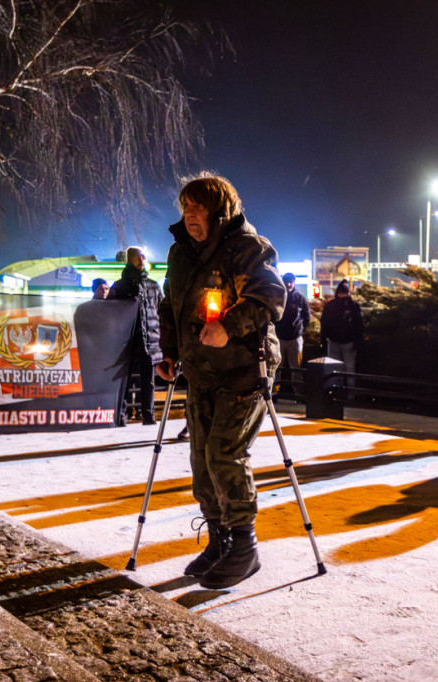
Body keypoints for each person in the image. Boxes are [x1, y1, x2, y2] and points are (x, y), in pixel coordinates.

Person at [157, 173, 285, 589]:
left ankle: (244, 548)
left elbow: (269, 296)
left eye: (199, 208)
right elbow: (170, 305)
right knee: (200, 458)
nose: (190, 216)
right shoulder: (180, 254)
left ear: (220, 210)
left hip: (245, 366)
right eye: (185, 208)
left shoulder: (248, 248)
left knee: (223, 455)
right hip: (200, 369)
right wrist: (170, 350)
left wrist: (229, 326)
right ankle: (220, 539)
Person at [110, 246, 164, 425]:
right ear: (129, 259)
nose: (142, 259)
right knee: (124, 380)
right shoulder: (121, 286)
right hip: (127, 341)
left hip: (149, 340)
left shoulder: (153, 286)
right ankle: (121, 416)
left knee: (148, 380)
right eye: (137, 256)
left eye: (143, 256)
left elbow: (162, 311)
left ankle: (148, 416)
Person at [319, 279, 364, 390]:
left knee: (336, 370)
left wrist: (323, 339)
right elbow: (359, 325)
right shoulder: (353, 306)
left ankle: (336, 393)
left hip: (338, 341)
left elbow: (324, 323)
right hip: (343, 342)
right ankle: (348, 394)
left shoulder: (331, 306)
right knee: (348, 369)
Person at [275, 272, 310, 395]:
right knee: (276, 368)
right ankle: (273, 394)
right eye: (286, 281)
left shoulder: (300, 299)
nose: (289, 284)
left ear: (294, 282)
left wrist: (300, 330)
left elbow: (307, 317)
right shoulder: (277, 298)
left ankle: (298, 395)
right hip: (279, 338)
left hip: (295, 338)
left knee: (296, 370)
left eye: (291, 281)